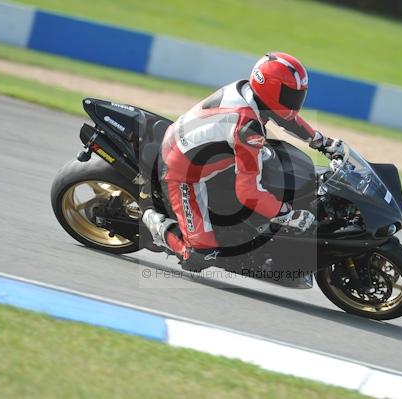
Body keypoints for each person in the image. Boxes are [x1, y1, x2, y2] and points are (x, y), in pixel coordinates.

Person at [142, 52, 343, 271]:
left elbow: (287, 119)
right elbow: (248, 194)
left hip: (198, 148)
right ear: (271, 89)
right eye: (289, 95)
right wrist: (288, 214)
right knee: (200, 256)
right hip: (181, 173)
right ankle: (153, 220)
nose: (295, 102)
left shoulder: (248, 90)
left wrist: (322, 142)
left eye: (298, 95)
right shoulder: (247, 127)